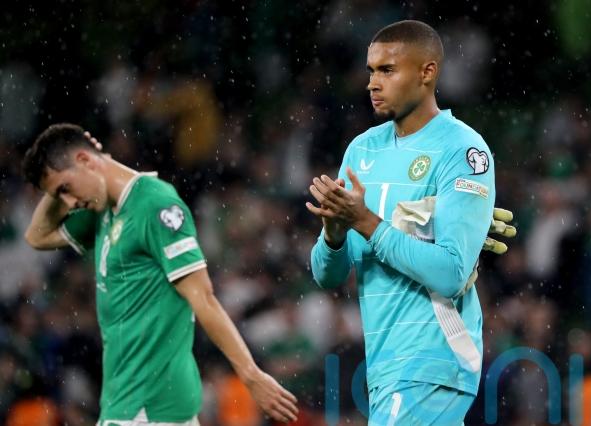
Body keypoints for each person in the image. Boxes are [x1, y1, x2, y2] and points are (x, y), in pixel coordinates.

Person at [22, 123, 298, 425]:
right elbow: (37, 236)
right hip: (128, 404)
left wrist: (251, 374)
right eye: (59, 196)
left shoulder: (154, 204)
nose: (69, 203)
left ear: (85, 160)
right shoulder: (102, 211)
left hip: (149, 408)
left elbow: (203, 297)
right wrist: (59, 174)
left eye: (65, 188)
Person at [307, 20, 500, 424]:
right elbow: (328, 275)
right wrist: (334, 233)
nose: (372, 83)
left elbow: (451, 272)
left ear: (427, 72)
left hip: (434, 360)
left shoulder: (463, 149)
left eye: (387, 70)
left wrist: (366, 221)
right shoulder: (362, 151)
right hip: (385, 365)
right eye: (371, 71)